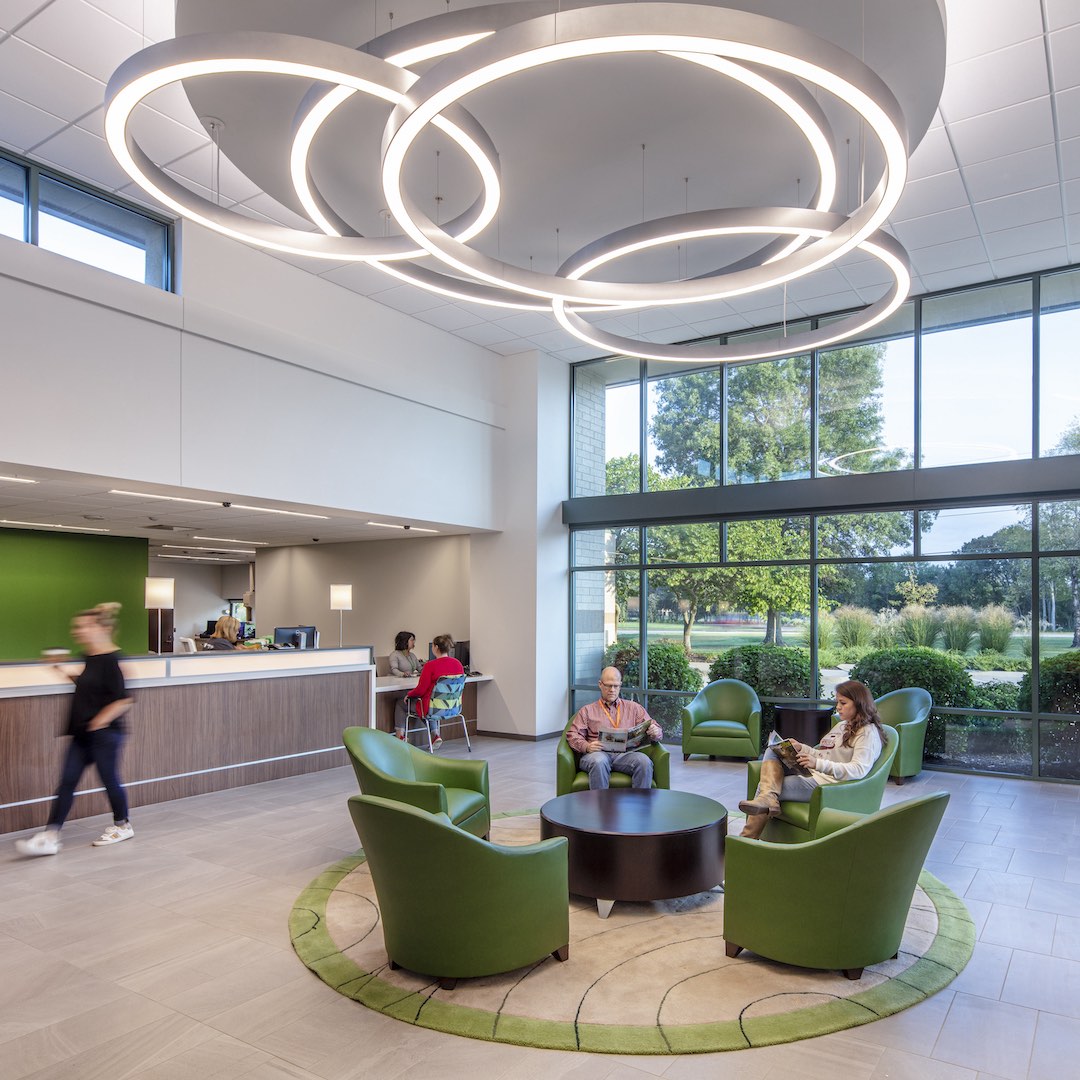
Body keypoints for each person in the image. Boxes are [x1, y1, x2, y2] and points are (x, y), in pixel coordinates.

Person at [15, 603, 135, 856]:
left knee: (109, 780)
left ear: (99, 629)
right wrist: (61, 670)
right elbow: (86, 686)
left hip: (105, 735)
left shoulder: (112, 659)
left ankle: (122, 825)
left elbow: (124, 699)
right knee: (67, 782)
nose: (77, 631)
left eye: (82, 627)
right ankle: (51, 834)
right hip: (82, 734)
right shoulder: (89, 657)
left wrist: (100, 722)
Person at [739, 679, 885, 839]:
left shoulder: (867, 734)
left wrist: (818, 764)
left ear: (859, 704)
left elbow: (859, 770)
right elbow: (825, 752)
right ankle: (768, 801)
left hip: (828, 785)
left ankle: (746, 840)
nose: (838, 707)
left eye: (843, 703)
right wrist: (802, 748)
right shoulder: (843, 725)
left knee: (765, 788)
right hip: (815, 773)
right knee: (773, 750)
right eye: (837, 702)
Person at [566, 667, 663, 790]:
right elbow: (573, 734)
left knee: (644, 762)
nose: (612, 690)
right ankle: (601, 808)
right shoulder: (587, 710)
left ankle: (640, 807)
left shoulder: (634, 708)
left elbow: (656, 728)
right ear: (600, 685)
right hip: (598, 754)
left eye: (616, 686)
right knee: (599, 761)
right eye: (608, 686)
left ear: (620, 685)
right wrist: (587, 746)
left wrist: (655, 731)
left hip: (626, 755)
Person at [395, 633, 463, 750]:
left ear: (436, 647)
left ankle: (400, 737)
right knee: (429, 707)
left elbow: (421, 689)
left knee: (401, 703)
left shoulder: (430, 666)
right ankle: (435, 734)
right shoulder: (458, 664)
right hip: (453, 707)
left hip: (431, 707)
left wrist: (409, 695)